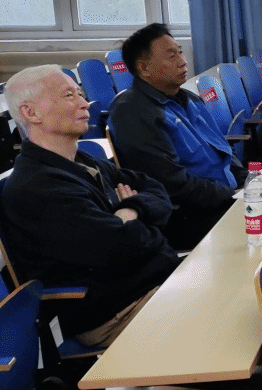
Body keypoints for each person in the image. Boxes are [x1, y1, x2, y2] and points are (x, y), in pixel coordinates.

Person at [1, 66, 179, 346]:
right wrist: (145, 228)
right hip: (115, 312)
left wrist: (130, 211)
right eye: (69, 95)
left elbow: (156, 191)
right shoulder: (37, 186)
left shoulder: (82, 161)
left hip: (151, 284)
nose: (84, 103)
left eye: (80, 93)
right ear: (31, 113)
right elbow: (121, 246)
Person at [107, 23, 247, 250]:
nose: (182, 61)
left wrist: (248, 182)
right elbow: (172, 185)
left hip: (224, 200)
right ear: (144, 68)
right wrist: (231, 194)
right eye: (171, 56)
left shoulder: (190, 99)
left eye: (180, 52)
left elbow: (223, 152)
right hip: (186, 217)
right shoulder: (133, 113)